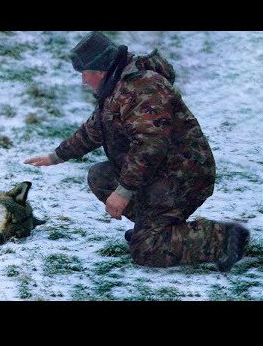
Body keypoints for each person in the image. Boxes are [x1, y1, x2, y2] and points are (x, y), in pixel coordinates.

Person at [24, 31, 249, 272]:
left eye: (85, 74)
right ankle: (153, 227)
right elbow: (93, 131)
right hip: (159, 173)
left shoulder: (143, 87)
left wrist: (124, 191)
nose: (83, 81)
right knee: (100, 176)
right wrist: (55, 156)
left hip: (183, 176)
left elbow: (150, 146)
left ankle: (224, 238)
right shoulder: (115, 87)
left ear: (100, 70)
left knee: (146, 251)